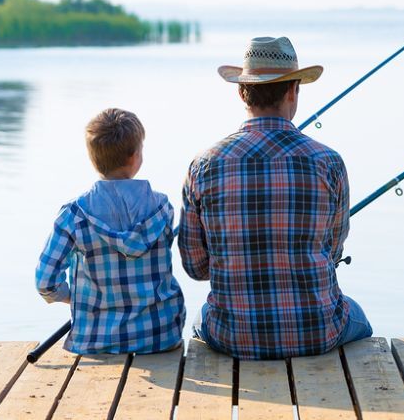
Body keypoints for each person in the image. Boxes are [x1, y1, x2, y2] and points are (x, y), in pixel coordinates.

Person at [179, 36, 371, 360]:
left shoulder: (203, 166)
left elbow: (196, 268)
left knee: (201, 318)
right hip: (318, 333)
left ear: (241, 91)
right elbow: (333, 251)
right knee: (359, 318)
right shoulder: (329, 163)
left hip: (232, 337)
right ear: (293, 90)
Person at [35, 108, 185, 354]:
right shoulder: (163, 209)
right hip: (160, 336)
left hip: (95, 341)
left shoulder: (73, 216)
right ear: (136, 156)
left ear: (93, 158)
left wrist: (75, 299)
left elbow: (45, 282)